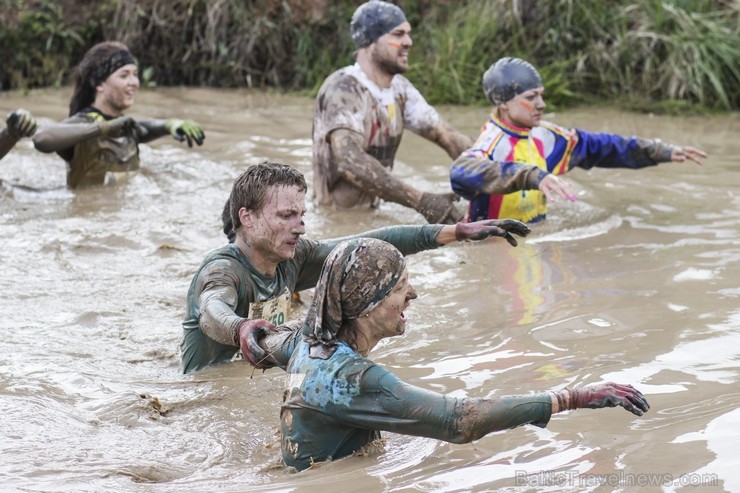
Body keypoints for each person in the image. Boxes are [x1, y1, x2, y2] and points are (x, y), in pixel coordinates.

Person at [239, 238, 650, 471]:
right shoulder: (353, 378)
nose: (413, 294)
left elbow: (268, 345)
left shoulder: (305, 343)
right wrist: (572, 398)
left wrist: (255, 337)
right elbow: (459, 421)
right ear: (367, 302)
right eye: (401, 287)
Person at [182, 161, 531, 374]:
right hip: (206, 387)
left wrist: (456, 231)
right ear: (247, 217)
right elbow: (212, 311)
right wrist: (242, 329)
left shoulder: (294, 257)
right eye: (286, 216)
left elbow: (368, 243)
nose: (300, 227)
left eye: (301, 216)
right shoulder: (223, 270)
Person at [450, 57, 708, 224]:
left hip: (535, 236)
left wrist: (660, 151)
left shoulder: (547, 136)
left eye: (541, 95)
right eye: (531, 97)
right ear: (503, 103)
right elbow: (461, 172)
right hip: (491, 246)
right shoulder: (492, 142)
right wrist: (532, 175)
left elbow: (603, 148)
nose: (541, 104)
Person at [311, 0, 473, 224]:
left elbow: (446, 135)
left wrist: (486, 170)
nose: (408, 42)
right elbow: (350, 161)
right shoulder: (344, 89)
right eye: (397, 34)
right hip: (335, 220)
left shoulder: (400, 88)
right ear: (370, 42)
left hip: (373, 212)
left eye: (407, 34)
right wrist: (421, 201)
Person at [32, 41, 205, 188]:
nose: (135, 83)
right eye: (124, 76)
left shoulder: (126, 126)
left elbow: (142, 128)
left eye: (135, 75)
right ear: (99, 84)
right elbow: (41, 138)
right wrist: (103, 128)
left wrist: (170, 124)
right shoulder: (82, 125)